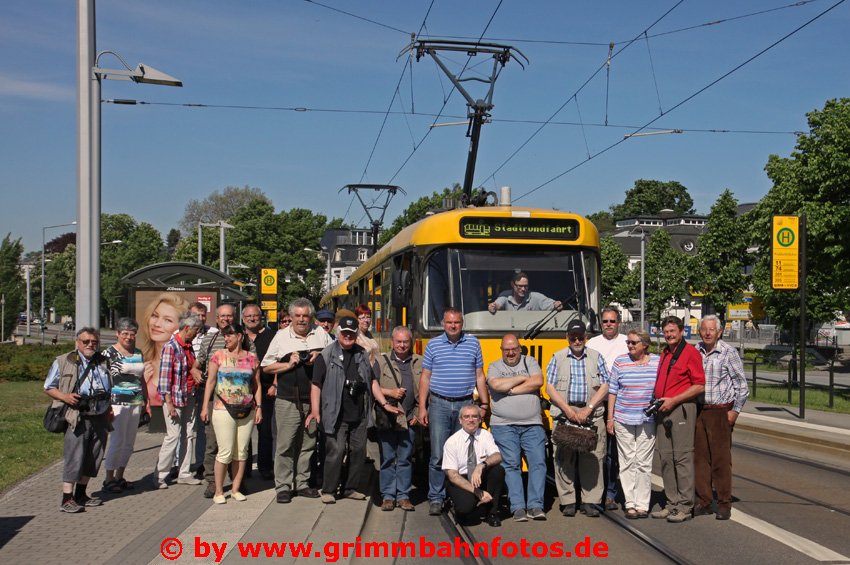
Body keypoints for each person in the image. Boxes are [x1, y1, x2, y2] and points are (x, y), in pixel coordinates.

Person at [308, 316, 401, 503]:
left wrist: (384, 403)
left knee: (358, 451)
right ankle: (329, 490)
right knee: (336, 451)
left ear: (356, 335)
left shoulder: (363, 355)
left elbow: (373, 381)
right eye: (345, 333)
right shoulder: (326, 355)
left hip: (359, 413)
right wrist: (315, 411)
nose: (348, 337)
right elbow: (316, 385)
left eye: (352, 334)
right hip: (335, 413)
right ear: (338, 333)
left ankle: (350, 488)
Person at [417, 307, 490, 516]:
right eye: (449, 322)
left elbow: (479, 376)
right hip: (439, 404)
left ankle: (464, 495)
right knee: (438, 454)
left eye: (456, 322)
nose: (453, 326)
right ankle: (436, 497)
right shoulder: (433, 345)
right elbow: (425, 377)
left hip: (465, 405)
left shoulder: (473, 344)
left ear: (462, 324)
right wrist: (423, 407)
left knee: (466, 454)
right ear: (443, 323)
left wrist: (484, 404)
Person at [261, 298, 331, 503]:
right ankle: (283, 486)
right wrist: (288, 364)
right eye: (297, 316)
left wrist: (321, 356)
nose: (301, 320)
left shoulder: (321, 334)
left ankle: (302, 483)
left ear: (311, 317)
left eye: (305, 316)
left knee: (308, 443)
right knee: (285, 444)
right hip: (287, 399)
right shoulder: (281, 337)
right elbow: (266, 367)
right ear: (290, 317)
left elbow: (335, 358)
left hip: (313, 399)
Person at [546, 319, 609, 518]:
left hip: (591, 415)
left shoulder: (597, 357)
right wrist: (567, 410)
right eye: (573, 337)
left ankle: (590, 501)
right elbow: (550, 387)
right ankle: (568, 501)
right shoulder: (557, 357)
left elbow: (606, 385)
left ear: (585, 338)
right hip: (566, 415)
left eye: (580, 337)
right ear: (567, 338)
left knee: (593, 458)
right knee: (564, 459)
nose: (576, 340)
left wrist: (588, 409)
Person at [44, 327, 112, 513]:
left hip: (100, 412)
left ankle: (81, 494)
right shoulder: (64, 360)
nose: (90, 345)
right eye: (86, 342)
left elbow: (109, 385)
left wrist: (110, 408)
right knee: (75, 455)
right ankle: (67, 498)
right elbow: (48, 387)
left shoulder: (103, 361)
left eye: (94, 342)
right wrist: (65, 397)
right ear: (77, 343)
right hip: (77, 414)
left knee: (94, 455)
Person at [191, 304, 253, 498]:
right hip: (215, 399)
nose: (226, 319)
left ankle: (238, 482)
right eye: (222, 316)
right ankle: (212, 482)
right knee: (212, 442)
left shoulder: (246, 341)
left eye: (229, 316)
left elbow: (254, 365)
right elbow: (198, 362)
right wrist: (194, 370)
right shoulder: (210, 339)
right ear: (217, 319)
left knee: (241, 444)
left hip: (241, 400)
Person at [486, 334, 547, 522]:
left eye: (514, 349)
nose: (510, 353)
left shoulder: (530, 361)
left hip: (532, 424)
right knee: (511, 465)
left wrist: (509, 389)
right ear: (501, 350)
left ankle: (536, 505)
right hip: (503, 425)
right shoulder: (495, 366)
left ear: (520, 349)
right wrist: (521, 378)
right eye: (506, 350)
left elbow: (537, 381)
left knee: (538, 463)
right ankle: (518, 507)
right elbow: (495, 384)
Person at [651, 316, 705, 523]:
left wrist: (674, 400)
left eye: (672, 331)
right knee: (665, 458)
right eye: (666, 332)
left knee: (681, 458)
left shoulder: (690, 353)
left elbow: (700, 385)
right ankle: (671, 503)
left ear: (682, 331)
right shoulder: (666, 352)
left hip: (680, 409)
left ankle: (684, 505)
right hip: (664, 409)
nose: (669, 335)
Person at [200, 323, 262, 504]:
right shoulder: (218, 356)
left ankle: (235, 489)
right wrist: (205, 406)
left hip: (247, 409)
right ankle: (219, 491)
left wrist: (259, 407)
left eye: (230, 335)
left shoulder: (251, 358)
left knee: (241, 452)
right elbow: (210, 383)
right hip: (223, 408)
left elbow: (256, 385)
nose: (226, 339)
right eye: (225, 336)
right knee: (225, 451)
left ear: (240, 336)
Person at [694, 315, 749, 521]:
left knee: (720, 460)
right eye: (704, 329)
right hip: (700, 410)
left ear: (719, 332)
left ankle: (724, 503)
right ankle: (704, 501)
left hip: (720, 411)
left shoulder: (728, 352)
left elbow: (742, 386)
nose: (708, 333)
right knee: (700, 460)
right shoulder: (696, 351)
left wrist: (734, 411)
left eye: (712, 330)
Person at [606, 329, 659, 519]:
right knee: (627, 461)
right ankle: (630, 502)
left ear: (645, 344)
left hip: (647, 419)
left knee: (644, 462)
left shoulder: (657, 362)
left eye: (633, 343)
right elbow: (612, 391)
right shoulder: (620, 361)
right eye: (628, 342)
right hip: (623, 418)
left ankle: (642, 503)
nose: (629, 345)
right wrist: (610, 418)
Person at [587, 306, 629, 511]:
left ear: (618, 322)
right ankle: (594, 490)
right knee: (595, 450)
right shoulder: (592, 343)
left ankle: (611, 493)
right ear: (600, 323)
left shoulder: (626, 342)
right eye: (605, 321)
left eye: (612, 321)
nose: (609, 324)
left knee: (613, 452)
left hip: (619, 403)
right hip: (597, 403)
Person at [375, 326, 422, 511]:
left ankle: (403, 495)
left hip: (410, 418)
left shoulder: (420, 361)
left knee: (405, 459)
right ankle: (388, 496)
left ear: (410, 342)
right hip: (388, 418)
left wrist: (419, 413)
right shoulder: (381, 361)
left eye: (405, 342)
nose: (402, 345)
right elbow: (372, 386)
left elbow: (425, 390)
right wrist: (389, 392)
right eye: (398, 342)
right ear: (392, 342)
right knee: (387, 457)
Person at [102, 318, 151, 493]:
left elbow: (142, 378)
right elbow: (103, 379)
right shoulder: (109, 353)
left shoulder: (138, 353)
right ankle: (108, 478)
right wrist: (106, 404)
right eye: (125, 334)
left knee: (129, 442)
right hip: (117, 402)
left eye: (132, 334)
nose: (129, 337)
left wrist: (147, 401)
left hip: (136, 401)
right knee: (117, 440)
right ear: (117, 334)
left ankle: (119, 476)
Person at [154, 313, 203, 489]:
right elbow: (165, 377)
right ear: (187, 328)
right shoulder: (171, 347)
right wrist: (168, 403)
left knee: (188, 434)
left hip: (189, 395)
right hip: (174, 398)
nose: (198, 333)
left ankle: (184, 473)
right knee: (173, 435)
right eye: (196, 330)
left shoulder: (188, 347)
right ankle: (160, 474)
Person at [442, 404, 505, 527]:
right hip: (461, 479)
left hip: (479, 475)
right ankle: (462, 508)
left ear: (480, 419)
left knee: (498, 470)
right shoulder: (452, 442)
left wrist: (481, 465)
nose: (471, 420)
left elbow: (498, 456)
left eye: (474, 416)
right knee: (466, 508)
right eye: (466, 417)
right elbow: (453, 475)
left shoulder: (485, 435)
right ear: (460, 420)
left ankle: (491, 513)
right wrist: (477, 492)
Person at [138, 292, 191, 414]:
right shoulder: (140, 360)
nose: (156, 324)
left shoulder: (185, 360)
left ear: (182, 327)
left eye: (167, 320)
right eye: (155, 316)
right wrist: (141, 385)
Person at [242, 304, 277, 481]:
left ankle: (265, 467)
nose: (252, 319)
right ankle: (244, 468)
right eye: (248, 317)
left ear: (261, 317)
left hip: (266, 389)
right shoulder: (239, 337)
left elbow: (279, 359)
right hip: (243, 391)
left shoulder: (271, 336)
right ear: (243, 319)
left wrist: (275, 384)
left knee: (265, 431)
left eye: (255, 316)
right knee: (244, 432)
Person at [488, 272, 562, 313]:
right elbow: (497, 304)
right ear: (513, 285)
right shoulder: (505, 296)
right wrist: (493, 307)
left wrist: (556, 304)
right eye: (520, 286)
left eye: (525, 286)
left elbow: (552, 304)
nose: (523, 289)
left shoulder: (535, 296)